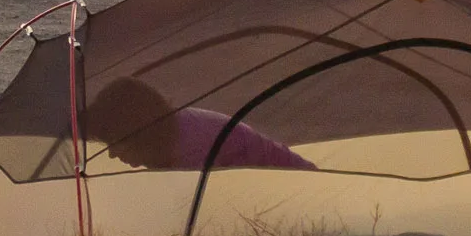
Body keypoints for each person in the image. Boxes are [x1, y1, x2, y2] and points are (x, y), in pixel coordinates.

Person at [84, 76, 314, 173]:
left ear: (138, 132)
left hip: (303, 189)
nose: (112, 154)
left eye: (115, 142)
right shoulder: (170, 134)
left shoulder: (193, 151)